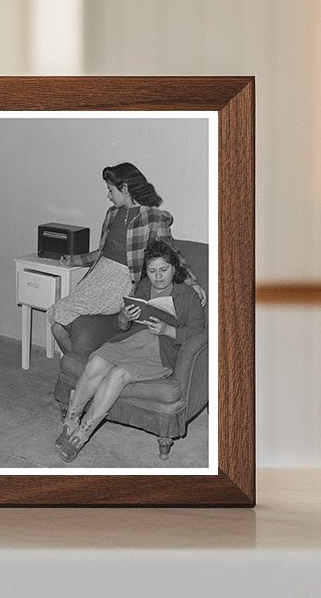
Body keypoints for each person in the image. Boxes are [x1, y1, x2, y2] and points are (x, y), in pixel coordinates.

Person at [55, 240, 206, 463]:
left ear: (175, 268)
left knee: (118, 375)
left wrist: (168, 330)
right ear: (146, 271)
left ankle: (81, 435)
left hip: (159, 353)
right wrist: (124, 317)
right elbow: (122, 326)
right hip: (130, 342)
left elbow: (197, 333)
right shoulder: (143, 287)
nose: (158, 276)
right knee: (96, 361)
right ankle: (71, 421)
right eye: (152, 271)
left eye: (164, 270)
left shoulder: (188, 296)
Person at [47, 161, 205, 356]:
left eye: (110, 190)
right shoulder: (112, 214)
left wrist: (193, 283)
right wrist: (73, 260)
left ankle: (86, 370)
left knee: (59, 311)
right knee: (56, 324)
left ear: (125, 189)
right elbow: (102, 252)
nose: (108, 195)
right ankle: (83, 368)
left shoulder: (153, 217)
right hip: (98, 276)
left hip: (120, 281)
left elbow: (171, 252)